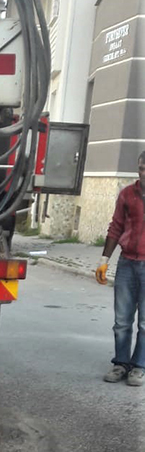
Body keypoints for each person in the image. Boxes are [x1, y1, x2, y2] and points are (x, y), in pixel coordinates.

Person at [95, 151, 145, 387]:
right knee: (122, 320)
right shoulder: (127, 194)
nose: (144, 173)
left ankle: (140, 367)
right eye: (142, 168)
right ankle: (121, 364)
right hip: (127, 264)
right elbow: (116, 227)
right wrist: (104, 259)